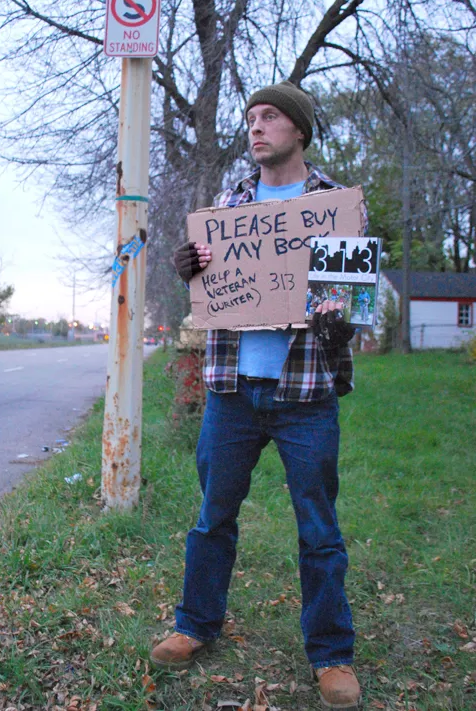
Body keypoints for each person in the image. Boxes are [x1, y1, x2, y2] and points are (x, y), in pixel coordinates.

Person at [150, 82, 362, 711]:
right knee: (213, 516)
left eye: (270, 117)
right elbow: (212, 287)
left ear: (299, 130)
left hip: (306, 394)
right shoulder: (229, 204)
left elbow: (347, 313)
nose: (256, 127)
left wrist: (332, 306)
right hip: (232, 390)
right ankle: (194, 625)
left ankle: (331, 655)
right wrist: (188, 265)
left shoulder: (333, 205)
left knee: (319, 527)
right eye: (251, 118)